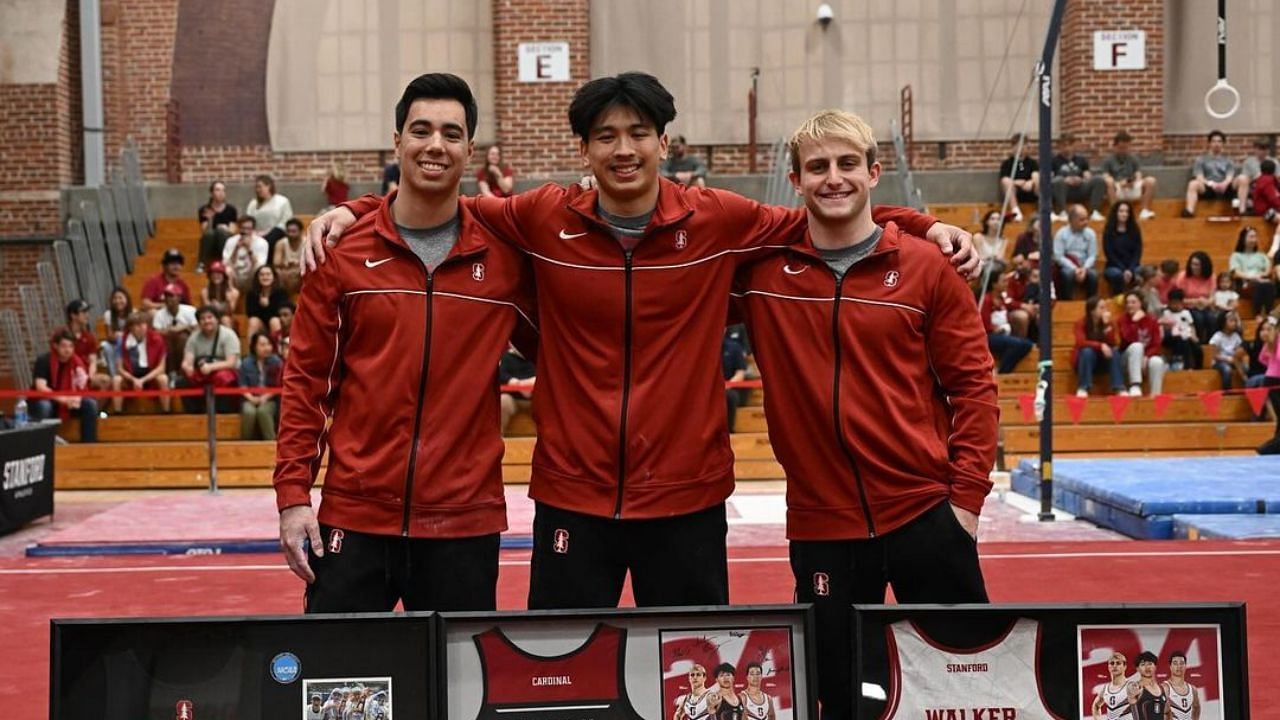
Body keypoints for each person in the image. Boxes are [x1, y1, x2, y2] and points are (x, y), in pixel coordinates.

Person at [302, 72, 973, 612]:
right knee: (559, 679)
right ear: (585, 150)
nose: (623, 149)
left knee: (693, 678)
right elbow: (439, 200)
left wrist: (922, 225)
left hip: (686, 498)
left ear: (663, 142)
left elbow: (828, 210)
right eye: (606, 136)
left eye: (639, 134)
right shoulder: (543, 217)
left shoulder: (718, 219)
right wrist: (355, 211)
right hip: (574, 497)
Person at [732, 110, 995, 720]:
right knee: (847, 695)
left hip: (927, 513)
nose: (834, 178)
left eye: (848, 164)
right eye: (818, 167)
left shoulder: (929, 267)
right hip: (823, 526)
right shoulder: (763, 274)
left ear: (875, 173)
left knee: (962, 685)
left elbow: (974, 387)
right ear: (795, 182)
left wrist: (966, 502)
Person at [275, 73, 538, 614]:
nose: (435, 145)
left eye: (451, 133)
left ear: (470, 149)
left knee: (455, 695)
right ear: (397, 142)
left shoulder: (506, 260)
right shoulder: (341, 253)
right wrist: (293, 497)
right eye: (420, 130)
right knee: (338, 689)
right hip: (355, 515)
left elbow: (562, 349)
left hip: (464, 520)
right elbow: (306, 381)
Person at [31, 332, 99, 441]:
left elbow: (82, 385)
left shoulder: (76, 362)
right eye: (64, 346)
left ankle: (89, 444)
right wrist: (63, 399)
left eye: (71, 346)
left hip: (69, 399)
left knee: (90, 404)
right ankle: (41, 443)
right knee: (45, 406)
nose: (68, 350)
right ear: (55, 346)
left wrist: (77, 397)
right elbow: (41, 387)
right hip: (47, 399)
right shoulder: (43, 360)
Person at [178, 305, 241, 414]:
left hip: (225, 371)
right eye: (202, 319)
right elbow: (188, 359)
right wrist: (187, 366)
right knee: (183, 382)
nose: (206, 321)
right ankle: (195, 416)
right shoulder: (194, 337)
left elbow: (231, 362)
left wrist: (211, 367)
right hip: (203, 372)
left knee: (222, 378)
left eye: (210, 317)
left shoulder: (229, 335)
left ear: (217, 319)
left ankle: (222, 415)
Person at [111, 311, 170, 413]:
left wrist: (143, 380)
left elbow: (161, 368)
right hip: (130, 375)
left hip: (150, 374)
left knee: (163, 379)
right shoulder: (122, 341)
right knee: (116, 380)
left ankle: (166, 412)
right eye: (138, 325)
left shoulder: (157, 339)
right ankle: (118, 413)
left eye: (144, 323)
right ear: (130, 328)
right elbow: (119, 368)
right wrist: (133, 379)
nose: (142, 327)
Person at [52, 299, 111, 390]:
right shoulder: (61, 334)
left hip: (85, 373)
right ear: (73, 315)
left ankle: (94, 404)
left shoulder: (89, 336)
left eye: (87, 311)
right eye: (83, 312)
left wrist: (90, 376)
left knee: (105, 380)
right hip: (67, 374)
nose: (87, 315)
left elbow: (93, 361)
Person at [983, 269, 1033, 373]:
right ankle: (1002, 372)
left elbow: (1012, 303)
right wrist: (998, 329)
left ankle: (1004, 370)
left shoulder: (1002, 298)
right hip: (990, 336)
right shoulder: (986, 300)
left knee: (1027, 344)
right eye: (1003, 281)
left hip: (1003, 334)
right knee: (1017, 344)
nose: (1006, 284)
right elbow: (985, 326)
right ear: (994, 284)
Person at [1074, 296, 1125, 397]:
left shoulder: (1109, 323)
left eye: (1105, 307)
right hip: (1086, 360)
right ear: (1092, 311)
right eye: (1101, 308)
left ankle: (1119, 387)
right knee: (1087, 351)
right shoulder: (1081, 323)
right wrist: (1100, 345)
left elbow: (1113, 343)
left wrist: (1106, 326)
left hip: (1104, 360)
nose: (1105, 310)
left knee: (1114, 351)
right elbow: (1081, 342)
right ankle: (1083, 387)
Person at [1119, 290, 1166, 396]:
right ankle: (1135, 385)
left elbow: (1156, 344)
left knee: (1157, 361)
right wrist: (1134, 322)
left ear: (1141, 304)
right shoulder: (1123, 320)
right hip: (1126, 359)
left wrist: (1146, 357)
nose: (1129, 305)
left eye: (1133, 302)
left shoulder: (1151, 320)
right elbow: (1127, 339)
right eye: (1127, 302)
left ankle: (1155, 396)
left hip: (1145, 359)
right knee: (1137, 346)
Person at [1101, 131, 1157, 220]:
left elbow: (1138, 173)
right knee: (1109, 181)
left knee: (1151, 180)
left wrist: (1134, 181)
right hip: (1118, 188)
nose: (1123, 150)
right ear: (1115, 147)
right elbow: (1105, 176)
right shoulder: (1108, 160)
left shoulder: (1133, 158)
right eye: (1121, 148)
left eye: (1126, 148)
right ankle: (1115, 212)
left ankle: (1144, 211)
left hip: (1131, 186)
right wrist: (1119, 183)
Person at [1051, 133, 1106, 221]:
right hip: (1064, 190)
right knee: (1058, 181)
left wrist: (1081, 179)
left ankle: (1094, 212)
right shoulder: (1054, 161)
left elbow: (1087, 176)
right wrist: (1065, 180)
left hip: (1080, 188)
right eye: (1064, 145)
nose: (1067, 148)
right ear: (1059, 146)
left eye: (1070, 145)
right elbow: (1051, 179)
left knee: (1099, 179)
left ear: (1074, 146)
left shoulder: (1081, 160)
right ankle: (1062, 212)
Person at [1183, 130, 1238, 217]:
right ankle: (1189, 211)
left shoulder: (1228, 161)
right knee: (1193, 183)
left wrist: (1224, 184)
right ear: (1209, 143)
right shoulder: (1201, 160)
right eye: (1214, 141)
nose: (1217, 144)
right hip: (1208, 187)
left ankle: (1242, 211)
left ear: (1223, 144)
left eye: (1219, 141)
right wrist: (1211, 184)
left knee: (1240, 179)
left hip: (1224, 187)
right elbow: (1199, 177)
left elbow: (1229, 176)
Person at [239, 332, 283, 440]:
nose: (267, 348)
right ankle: (245, 444)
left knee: (263, 411)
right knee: (249, 412)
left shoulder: (277, 362)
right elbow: (242, 385)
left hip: (270, 399)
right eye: (262, 345)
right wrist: (252, 398)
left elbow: (279, 385)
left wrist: (265, 397)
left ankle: (271, 443)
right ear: (254, 346)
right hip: (250, 398)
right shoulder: (246, 363)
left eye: (268, 344)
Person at [1053, 204, 1099, 300]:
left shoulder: (1090, 233)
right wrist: (1075, 269)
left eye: (1086, 219)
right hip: (1068, 266)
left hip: (1085, 265)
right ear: (1072, 220)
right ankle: (1067, 303)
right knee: (1067, 274)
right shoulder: (1061, 234)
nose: (1086, 222)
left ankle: (1092, 303)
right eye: (1082, 220)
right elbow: (1058, 256)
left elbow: (1092, 255)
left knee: (1093, 275)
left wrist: (1084, 268)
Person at [151, 283, 198, 374]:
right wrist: (169, 331)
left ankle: (183, 371)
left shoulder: (190, 310)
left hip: (188, 341)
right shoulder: (159, 314)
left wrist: (183, 327)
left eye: (172, 296)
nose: (169, 299)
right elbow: (155, 333)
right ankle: (171, 372)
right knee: (167, 342)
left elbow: (197, 330)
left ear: (179, 298)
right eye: (167, 296)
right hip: (168, 340)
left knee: (182, 338)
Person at [1229, 226, 1275, 316]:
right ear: (1243, 239)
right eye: (1251, 237)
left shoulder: (1261, 255)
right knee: (1259, 285)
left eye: (1255, 237)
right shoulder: (1236, 255)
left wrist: (1261, 276)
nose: (1254, 240)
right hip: (1245, 284)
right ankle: (1257, 314)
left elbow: (1268, 270)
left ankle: (1269, 314)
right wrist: (1253, 277)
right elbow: (1236, 273)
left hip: (1262, 281)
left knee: (1269, 285)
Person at [1102, 201, 1143, 295]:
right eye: (1121, 211)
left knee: (1143, 272)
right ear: (1116, 213)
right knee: (1116, 274)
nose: (1124, 214)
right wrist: (1124, 270)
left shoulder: (1135, 230)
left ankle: (1137, 297)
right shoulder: (1109, 230)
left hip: (1133, 265)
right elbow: (1109, 253)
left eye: (1127, 212)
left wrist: (1130, 269)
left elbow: (1138, 251)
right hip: (1114, 265)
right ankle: (1118, 297)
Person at [1175, 251, 1216, 342]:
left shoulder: (1211, 276)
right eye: (1193, 264)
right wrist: (1195, 301)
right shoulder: (1183, 276)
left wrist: (1207, 302)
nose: (1194, 267)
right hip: (1188, 307)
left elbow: (1212, 296)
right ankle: (1198, 343)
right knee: (1198, 318)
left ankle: (1211, 343)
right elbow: (1178, 299)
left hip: (1205, 307)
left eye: (1197, 265)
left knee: (1212, 318)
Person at [198, 180, 238, 271]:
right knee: (210, 234)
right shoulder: (204, 209)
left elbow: (233, 230)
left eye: (223, 190)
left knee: (221, 232)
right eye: (217, 190)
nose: (221, 193)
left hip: (225, 239)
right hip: (210, 241)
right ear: (211, 193)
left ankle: (225, 262)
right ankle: (202, 264)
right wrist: (210, 219)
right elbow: (204, 231)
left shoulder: (231, 209)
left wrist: (225, 228)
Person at [223, 215, 270, 293]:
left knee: (260, 270)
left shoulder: (262, 243)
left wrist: (249, 249)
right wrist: (236, 249)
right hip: (236, 275)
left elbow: (259, 265)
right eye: (243, 228)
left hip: (251, 275)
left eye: (248, 229)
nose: (245, 231)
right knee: (227, 270)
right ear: (239, 228)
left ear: (253, 229)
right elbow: (226, 263)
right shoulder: (231, 241)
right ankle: (231, 295)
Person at [998, 133, 1038, 222]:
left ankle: (1044, 207)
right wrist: (1016, 182)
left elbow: (1036, 175)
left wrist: (1031, 182)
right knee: (1006, 181)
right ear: (1013, 147)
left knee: (1037, 176)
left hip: (1030, 190)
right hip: (1015, 193)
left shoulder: (1032, 162)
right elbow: (1004, 179)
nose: (1021, 147)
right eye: (1018, 145)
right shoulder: (1007, 163)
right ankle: (1015, 210)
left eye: (1024, 144)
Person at [245, 174, 294, 244]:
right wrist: (254, 232)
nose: (258, 190)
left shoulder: (282, 201)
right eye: (256, 187)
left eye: (260, 187)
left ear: (269, 186)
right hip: (256, 234)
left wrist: (268, 231)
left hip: (276, 234)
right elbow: (248, 220)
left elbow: (285, 221)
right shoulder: (253, 203)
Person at [244, 265, 290, 338]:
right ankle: (252, 348)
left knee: (274, 320)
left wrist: (268, 305)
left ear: (274, 277)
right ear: (257, 278)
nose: (265, 277)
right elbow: (250, 313)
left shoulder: (281, 292)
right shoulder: (252, 293)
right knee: (253, 321)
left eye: (268, 274)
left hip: (278, 324)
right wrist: (261, 305)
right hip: (261, 325)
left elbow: (282, 313)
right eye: (262, 275)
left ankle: (278, 348)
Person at [499, 345, 536, 435]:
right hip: (513, 399)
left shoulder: (537, 356)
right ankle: (498, 439)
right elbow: (500, 374)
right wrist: (515, 382)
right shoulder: (506, 357)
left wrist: (531, 382)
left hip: (535, 399)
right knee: (502, 400)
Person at [1160, 288, 1201, 370]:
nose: (1175, 305)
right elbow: (1163, 327)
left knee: (1196, 346)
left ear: (1181, 303)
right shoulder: (1166, 313)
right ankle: (1184, 365)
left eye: (1177, 303)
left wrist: (1194, 336)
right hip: (1172, 337)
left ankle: (1197, 367)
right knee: (1182, 341)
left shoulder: (1186, 313)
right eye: (1173, 303)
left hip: (1185, 335)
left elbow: (1191, 326)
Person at [99, 286, 133, 377]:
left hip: (130, 344)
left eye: (120, 298)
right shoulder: (108, 314)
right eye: (115, 298)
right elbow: (109, 336)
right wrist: (118, 336)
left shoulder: (133, 313)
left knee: (121, 339)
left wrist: (122, 335)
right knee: (106, 346)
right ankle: (114, 374)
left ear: (127, 299)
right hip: (115, 343)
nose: (118, 301)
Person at [722, 326, 750, 432]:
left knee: (730, 397)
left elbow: (740, 373)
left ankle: (729, 430)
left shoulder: (734, 347)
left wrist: (728, 385)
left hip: (729, 387)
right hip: (708, 389)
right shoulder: (703, 348)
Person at [1209, 311, 1245, 390]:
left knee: (1245, 368)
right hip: (1219, 362)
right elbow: (1215, 355)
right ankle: (1227, 391)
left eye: (1235, 321)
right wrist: (1228, 359)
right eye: (1231, 321)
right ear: (1223, 323)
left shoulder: (1236, 336)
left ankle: (1246, 388)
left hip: (1234, 360)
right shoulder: (1217, 336)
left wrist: (1236, 359)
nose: (1234, 323)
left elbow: (1238, 351)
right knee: (1227, 370)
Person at [200, 260, 240, 328]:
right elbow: (207, 310)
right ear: (210, 276)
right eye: (213, 273)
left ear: (224, 276)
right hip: (210, 317)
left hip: (227, 318)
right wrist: (214, 308)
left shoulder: (234, 292)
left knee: (225, 320)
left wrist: (228, 301)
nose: (216, 276)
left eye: (219, 273)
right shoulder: (205, 291)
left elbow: (230, 312)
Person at [1127, 651, 1166, 720]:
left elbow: (1165, 713)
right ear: (1137, 669)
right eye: (1143, 664)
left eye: (1150, 664)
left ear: (1155, 666)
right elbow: (1131, 697)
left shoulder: (1162, 688)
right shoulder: (1135, 687)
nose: (1147, 667)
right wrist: (1132, 696)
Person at [1091, 652, 1131, 720]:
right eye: (1112, 663)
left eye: (1118, 663)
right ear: (1108, 667)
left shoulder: (1131, 686)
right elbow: (1096, 706)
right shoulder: (1106, 688)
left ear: (1125, 666)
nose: (1115, 666)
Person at [1162, 650, 1200, 720]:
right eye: (1175, 663)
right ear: (1170, 666)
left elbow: (1197, 707)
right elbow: (1159, 713)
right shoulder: (1165, 688)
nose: (1179, 666)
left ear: (1185, 666)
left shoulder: (1193, 689)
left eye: (1182, 663)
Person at [273, 217, 306, 296]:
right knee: (278, 272)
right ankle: (283, 297)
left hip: (301, 270)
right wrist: (287, 264)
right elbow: (276, 263)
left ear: (301, 232)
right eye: (288, 231)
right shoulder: (281, 243)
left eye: (294, 231)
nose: (290, 234)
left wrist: (298, 264)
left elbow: (310, 262)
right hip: (286, 271)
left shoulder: (307, 242)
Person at [973, 209, 1007, 274]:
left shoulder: (1003, 239)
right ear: (987, 222)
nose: (996, 222)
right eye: (992, 219)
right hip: (981, 266)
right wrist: (992, 257)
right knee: (989, 268)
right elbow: (980, 257)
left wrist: (993, 258)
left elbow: (1000, 257)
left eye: (998, 219)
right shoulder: (978, 237)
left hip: (997, 266)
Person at [1252, 159, 1280, 223]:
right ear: (1274, 170)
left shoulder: (1262, 179)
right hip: (1266, 212)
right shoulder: (1267, 182)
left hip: (1267, 210)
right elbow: (1274, 200)